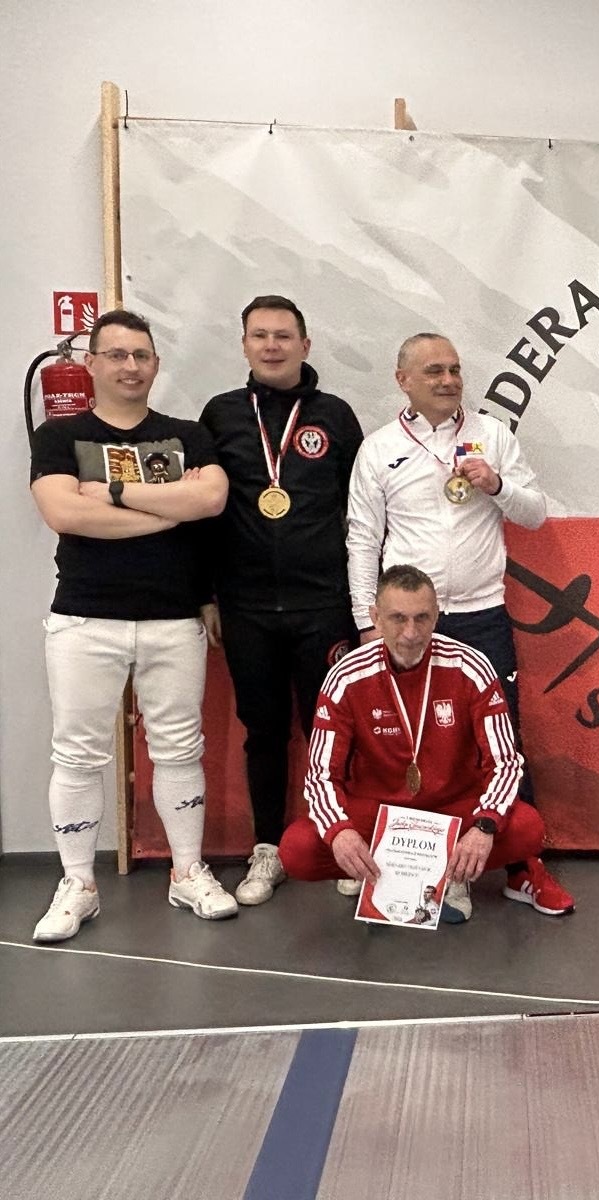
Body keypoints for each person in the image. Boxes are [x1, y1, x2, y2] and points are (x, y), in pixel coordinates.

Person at [29, 309, 236, 942]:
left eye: (141, 355)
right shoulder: (60, 436)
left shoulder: (186, 434)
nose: (130, 366)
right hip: (85, 617)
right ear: (91, 364)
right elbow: (66, 514)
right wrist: (169, 511)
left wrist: (114, 494)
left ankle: (187, 871)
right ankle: (78, 884)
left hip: (173, 619)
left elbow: (210, 499)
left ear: (156, 364)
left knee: (179, 749)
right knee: (77, 754)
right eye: (116, 355)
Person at [346, 333, 572, 914]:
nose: (448, 380)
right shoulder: (379, 448)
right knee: (406, 743)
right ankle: (403, 866)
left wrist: (496, 484)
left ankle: (523, 867)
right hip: (406, 626)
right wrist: (367, 621)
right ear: (403, 380)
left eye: (454, 369)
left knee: (503, 743)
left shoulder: (492, 436)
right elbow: (363, 539)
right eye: (433, 371)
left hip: (480, 615)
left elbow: (534, 513)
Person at [199, 295, 364, 906]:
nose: (272, 346)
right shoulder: (219, 415)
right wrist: (206, 595)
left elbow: (364, 513)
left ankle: (342, 845)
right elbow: (203, 514)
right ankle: (267, 848)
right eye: (260, 335)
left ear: (305, 344)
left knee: (332, 730)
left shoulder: (335, 416)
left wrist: (362, 603)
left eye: (283, 335)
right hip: (245, 607)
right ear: (244, 345)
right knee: (263, 732)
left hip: (323, 605)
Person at [278, 565, 559, 922]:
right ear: (376, 618)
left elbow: (505, 763)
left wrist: (484, 826)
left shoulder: (471, 666)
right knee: (297, 850)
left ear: (436, 616)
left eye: (421, 618)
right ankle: (389, 872)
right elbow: (321, 775)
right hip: (380, 815)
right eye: (398, 618)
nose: (411, 633)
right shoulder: (346, 677)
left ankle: (448, 873)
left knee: (528, 828)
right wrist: (340, 833)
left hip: (454, 809)